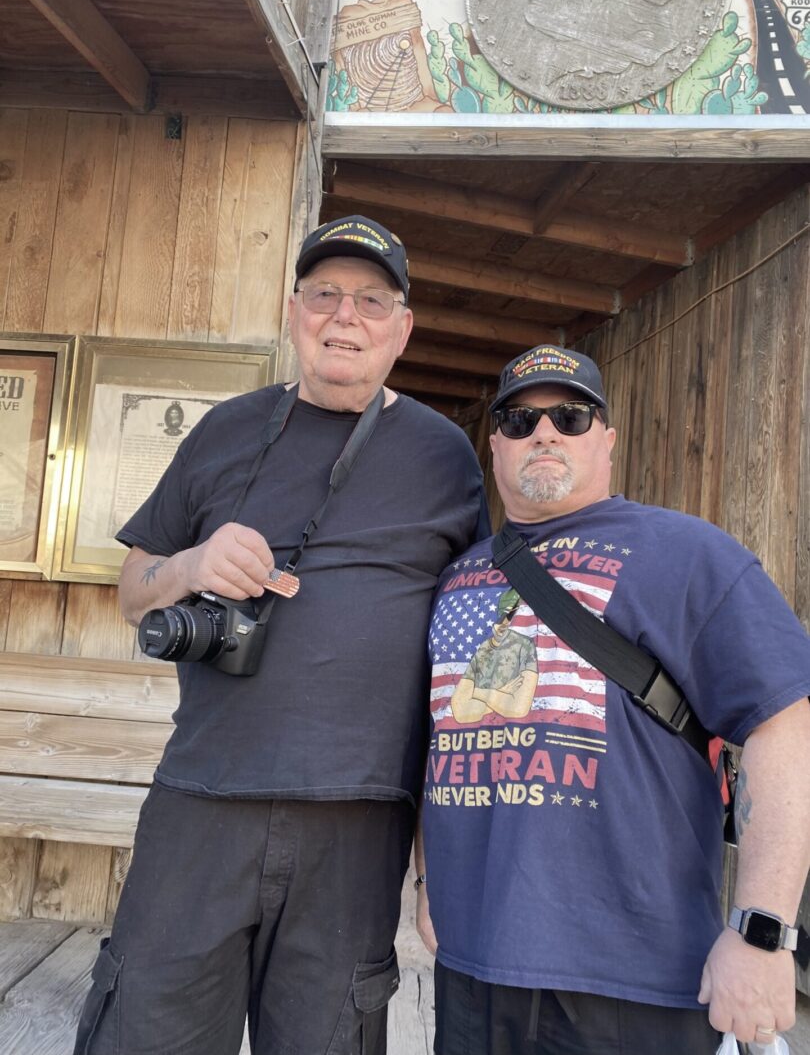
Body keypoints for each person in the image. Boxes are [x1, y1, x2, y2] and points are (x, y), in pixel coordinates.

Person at [73, 215, 489, 1055]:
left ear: (403, 330)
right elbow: (131, 592)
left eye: (373, 300)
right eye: (326, 294)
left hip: (361, 817)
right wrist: (191, 565)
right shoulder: (223, 430)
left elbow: (462, 662)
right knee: (146, 1029)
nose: (347, 317)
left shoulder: (448, 457)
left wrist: (434, 860)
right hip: (201, 800)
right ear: (294, 310)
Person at [416, 343, 810, 1055]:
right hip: (472, 968)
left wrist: (763, 931)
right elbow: (437, 737)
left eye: (569, 416)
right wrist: (426, 876)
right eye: (519, 419)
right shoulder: (454, 579)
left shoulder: (690, 555)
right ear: (495, 446)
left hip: (635, 977)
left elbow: (784, 728)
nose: (544, 431)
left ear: (607, 441)